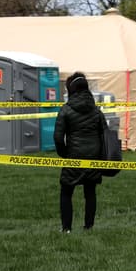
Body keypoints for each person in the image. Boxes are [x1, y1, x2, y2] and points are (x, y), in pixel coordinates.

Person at [54, 71, 107, 232]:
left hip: (73, 156)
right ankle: (89, 226)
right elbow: (105, 134)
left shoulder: (66, 109)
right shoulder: (96, 111)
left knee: (66, 191)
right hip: (93, 157)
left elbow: (58, 137)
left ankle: (66, 228)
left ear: (71, 89)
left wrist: (64, 154)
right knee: (90, 192)